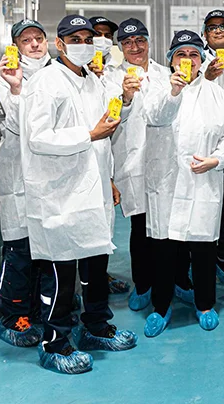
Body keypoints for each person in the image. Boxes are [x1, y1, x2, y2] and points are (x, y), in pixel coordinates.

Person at [21, 15, 139, 374]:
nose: (85, 43)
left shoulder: (92, 80)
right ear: (60, 43)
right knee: (60, 271)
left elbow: (107, 124)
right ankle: (54, 341)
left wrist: (127, 100)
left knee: (95, 264)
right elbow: (38, 138)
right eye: (76, 38)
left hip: (93, 190)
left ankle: (96, 327)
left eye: (89, 37)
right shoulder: (46, 83)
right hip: (61, 195)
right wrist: (88, 135)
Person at [141, 31, 224, 337]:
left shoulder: (217, 94)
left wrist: (216, 160)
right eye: (180, 55)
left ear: (202, 60)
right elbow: (154, 117)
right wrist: (172, 92)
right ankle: (160, 307)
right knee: (164, 251)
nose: (187, 61)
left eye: (194, 55)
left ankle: (205, 304)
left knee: (203, 250)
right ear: (171, 60)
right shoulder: (158, 89)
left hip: (203, 182)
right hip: (167, 184)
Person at [103, 18, 180, 311]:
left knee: (168, 227)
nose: (135, 47)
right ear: (121, 47)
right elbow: (110, 119)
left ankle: (172, 281)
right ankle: (144, 284)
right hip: (132, 160)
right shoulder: (111, 78)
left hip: (165, 160)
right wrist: (125, 96)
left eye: (140, 41)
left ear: (148, 42)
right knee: (140, 228)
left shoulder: (165, 72)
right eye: (128, 43)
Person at [0, 19, 50, 347]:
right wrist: (15, 88)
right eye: (26, 40)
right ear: (16, 46)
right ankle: (14, 316)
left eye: (38, 38)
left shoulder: (56, 72)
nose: (34, 45)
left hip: (48, 176)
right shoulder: (7, 78)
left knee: (46, 248)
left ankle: (44, 310)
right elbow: (16, 125)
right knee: (20, 251)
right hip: (19, 174)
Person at [89, 15, 131, 295]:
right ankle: (84, 287)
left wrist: (110, 177)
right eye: (96, 34)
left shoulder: (113, 72)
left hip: (102, 164)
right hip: (77, 162)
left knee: (103, 229)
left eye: (108, 35)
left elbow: (114, 117)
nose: (102, 40)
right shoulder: (73, 74)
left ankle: (99, 278)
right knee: (83, 232)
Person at [201, 9, 224, 284]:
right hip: (202, 147)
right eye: (212, 27)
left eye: (223, 26)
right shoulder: (193, 58)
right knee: (202, 211)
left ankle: (223, 260)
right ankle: (198, 263)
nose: (218, 31)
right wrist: (207, 77)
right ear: (205, 34)